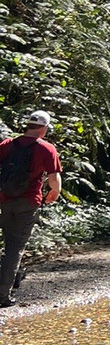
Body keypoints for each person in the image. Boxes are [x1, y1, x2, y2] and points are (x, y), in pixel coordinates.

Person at [0, 109, 62, 308]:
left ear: (28, 126)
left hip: (4, 200)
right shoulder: (46, 149)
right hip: (28, 202)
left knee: (8, 243)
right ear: (44, 128)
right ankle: (3, 295)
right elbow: (54, 182)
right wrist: (53, 194)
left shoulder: (7, 145)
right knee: (15, 247)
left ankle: (11, 281)